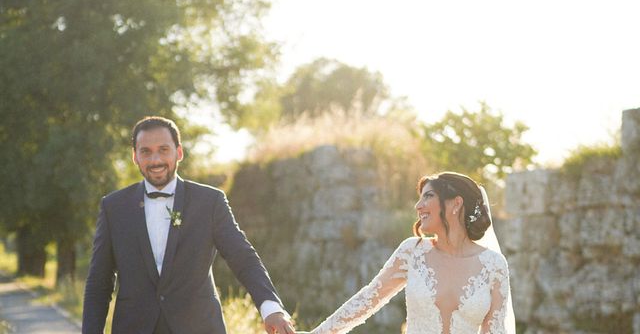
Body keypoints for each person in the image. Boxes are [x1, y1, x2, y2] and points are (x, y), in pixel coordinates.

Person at [83, 116, 295, 334]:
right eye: (146, 151)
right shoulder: (114, 207)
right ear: (135, 156)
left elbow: (242, 257)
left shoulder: (210, 202)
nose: (155, 159)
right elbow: (99, 282)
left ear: (179, 152)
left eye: (164, 149)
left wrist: (270, 308)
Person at [299, 171, 515, 334]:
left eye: (427, 196)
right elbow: (367, 299)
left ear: (455, 204)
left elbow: (496, 331)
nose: (418, 206)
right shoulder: (413, 252)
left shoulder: (494, 264)